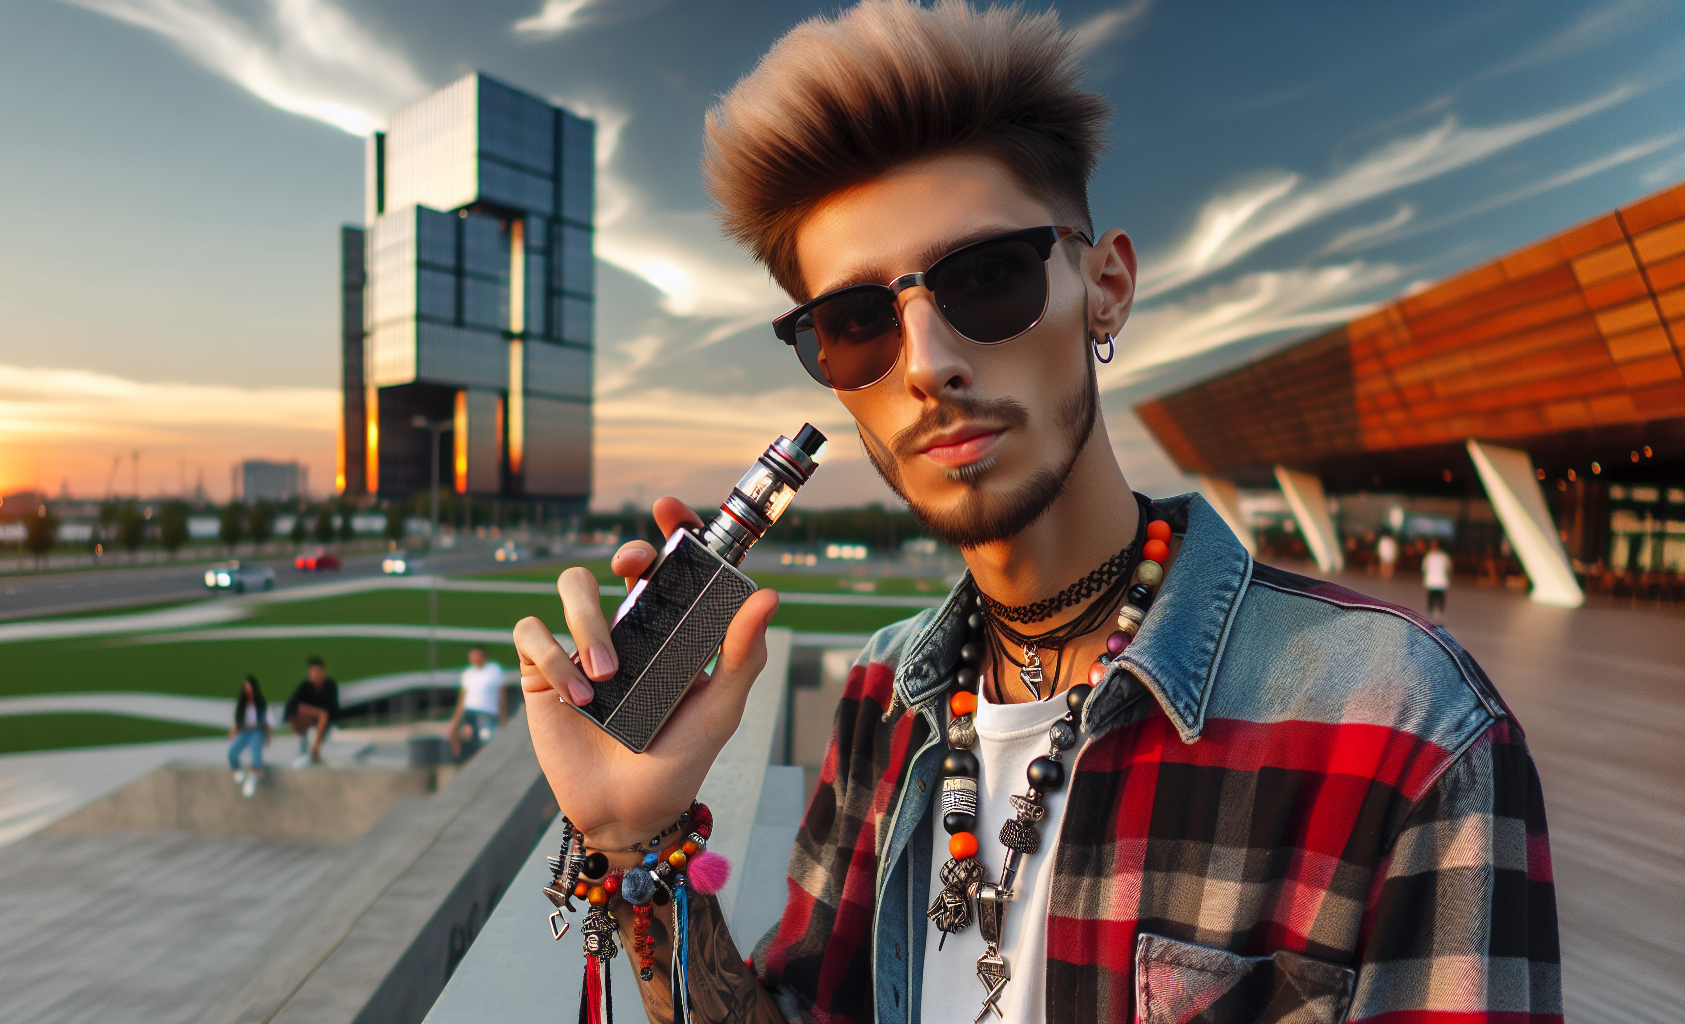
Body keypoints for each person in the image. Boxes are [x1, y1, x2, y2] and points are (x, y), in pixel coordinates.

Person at [512, 5, 1560, 1023]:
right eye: (856, 322)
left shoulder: (1400, 725)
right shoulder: (883, 695)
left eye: (987, 275)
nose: (928, 366)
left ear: (1104, 287)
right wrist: (629, 837)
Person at [446, 646, 504, 757]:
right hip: (470, 713)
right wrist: (455, 721)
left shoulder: (493, 671)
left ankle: (488, 758)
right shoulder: (467, 674)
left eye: (477, 655)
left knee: (486, 736)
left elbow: (502, 694)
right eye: (472, 656)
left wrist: (502, 717)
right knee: (466, 736)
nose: (475, 658)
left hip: (487, 712)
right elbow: (462, 698)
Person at [283, 656, 340, 769]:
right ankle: (307, 747)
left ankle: (315, 749)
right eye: (312, 672)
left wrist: (320, 716)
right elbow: (292, 705)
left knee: (323, 715)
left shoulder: (330, 686)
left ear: (323, 672)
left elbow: (332, 709)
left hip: (324, 720)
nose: (315, 675)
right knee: (307, 711)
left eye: (317, 672)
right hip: (306, 719)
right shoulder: (305, 687)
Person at [227, 674, 270, 798]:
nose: (247, 690)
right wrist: (234, 731)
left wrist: (267, 736)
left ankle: (253, 776)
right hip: (244, 731)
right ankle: (238, 769)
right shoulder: (241, 703)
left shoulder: (260, 702)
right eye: (245, 687)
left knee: (255, 753)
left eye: (249, 687)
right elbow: (238, 721)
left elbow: (264, 722)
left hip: (257, 731)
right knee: (232, 753)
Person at [1423, 540, 1453, 618]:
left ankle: (1431, 609)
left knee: (1432, 596)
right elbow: (1449, 567)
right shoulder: (1443, 556)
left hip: (1432, 579)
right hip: (1440, 579)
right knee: (1439, 596)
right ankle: (1441, 609)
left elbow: (1424, 567)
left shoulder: (1429, 555)